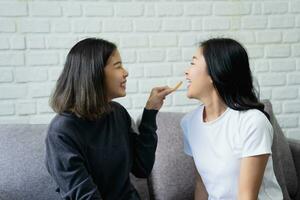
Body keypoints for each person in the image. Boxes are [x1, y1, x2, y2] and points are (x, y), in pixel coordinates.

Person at [45, 38, 173, 200]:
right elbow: (85, 196)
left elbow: (142, 168)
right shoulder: (62, 132)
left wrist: (150, 112)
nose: (126, 72)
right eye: (118, 66)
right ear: (94, 72)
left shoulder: (117, 113)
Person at [181, 38, 283, 200]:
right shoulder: (189, 123)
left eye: (193, 63)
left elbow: (247, 196)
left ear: (214, 72)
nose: (186, 72)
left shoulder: (252, 122)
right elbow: (202, 184)